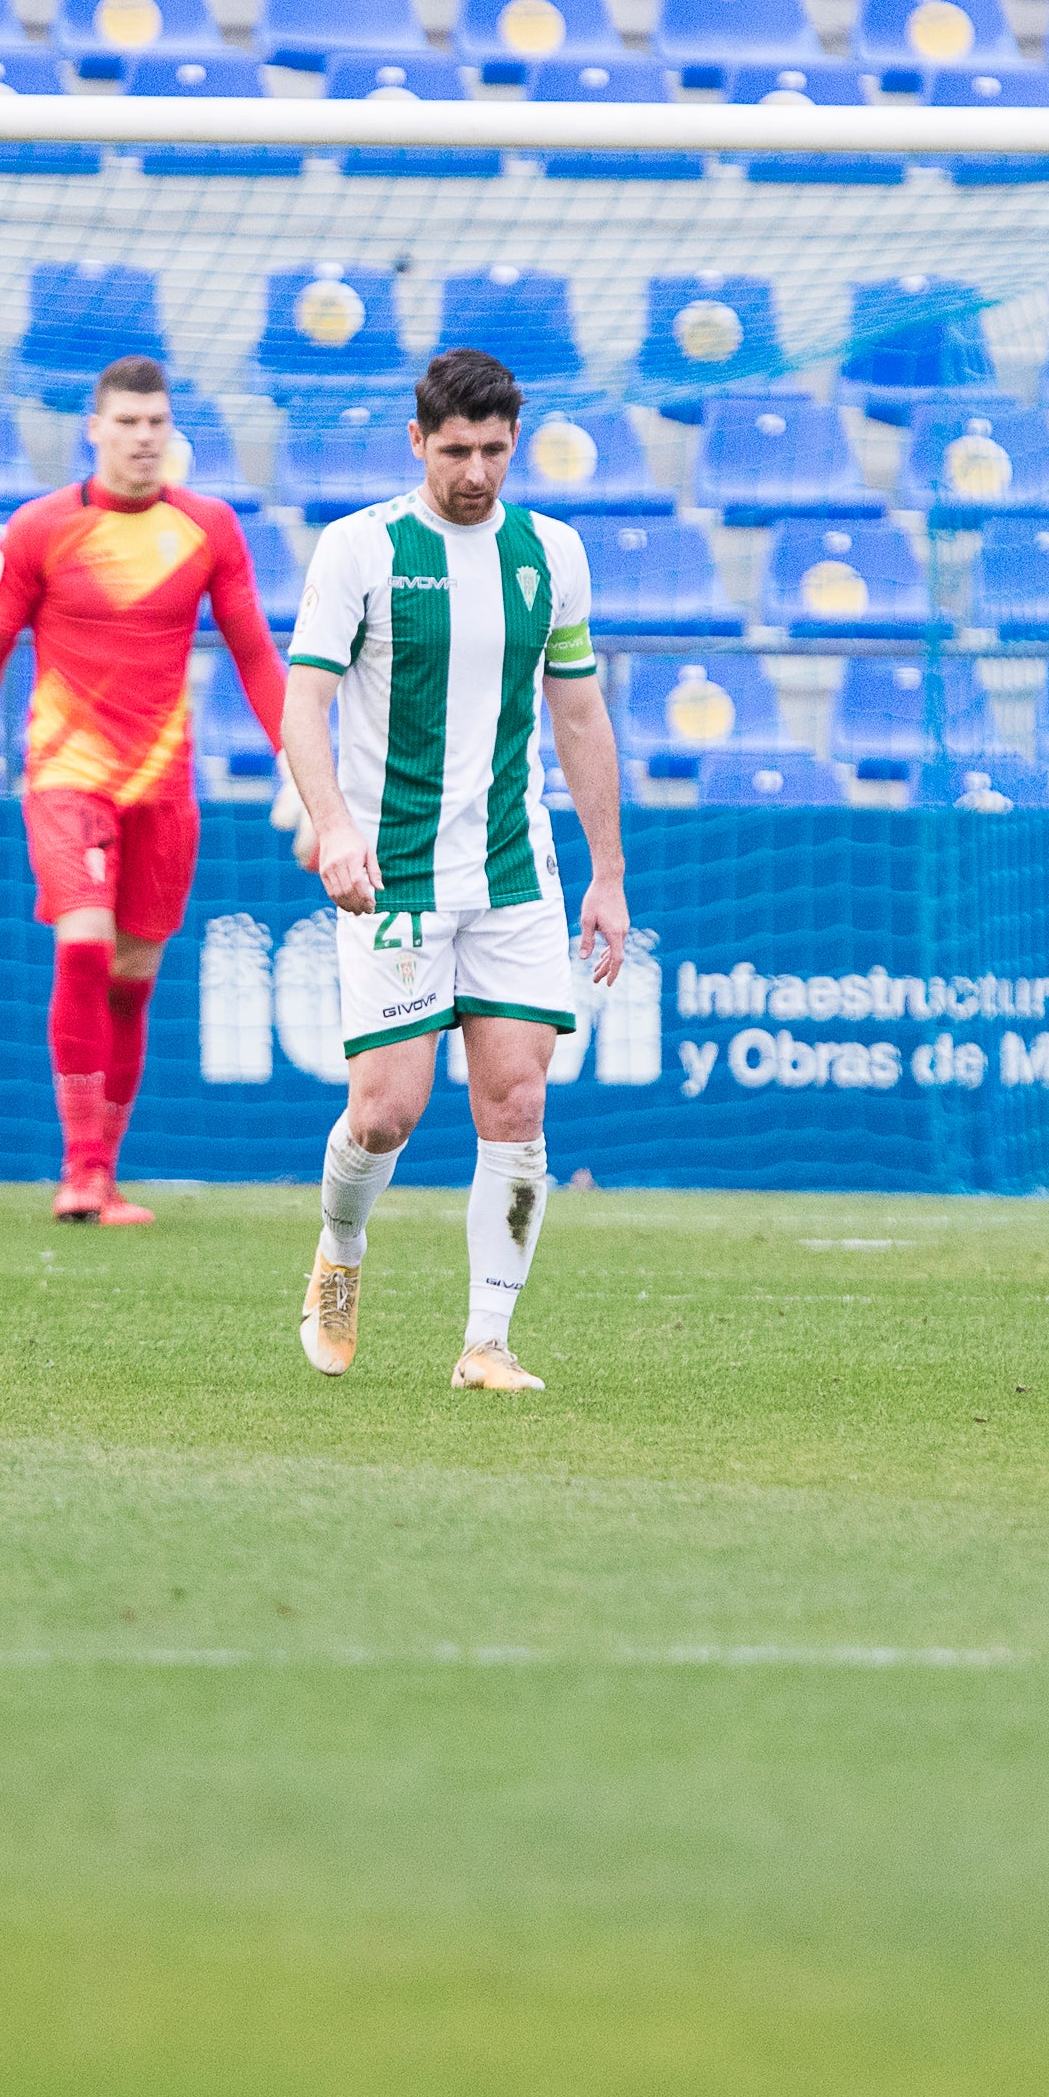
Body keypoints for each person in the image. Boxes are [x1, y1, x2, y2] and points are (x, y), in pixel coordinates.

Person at [277, 349, 628, 1394]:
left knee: (516, 1104)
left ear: (514, 441)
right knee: (384, 1111)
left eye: (493, 449)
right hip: (392, 874)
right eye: (455, 450)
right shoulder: (361, 549)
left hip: (515, 870)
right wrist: (332, 826)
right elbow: (303, 705)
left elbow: (576, 712)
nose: (475, 471)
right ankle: (338, 1251)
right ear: (416, 442)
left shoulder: (551, 552)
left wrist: (607, 873)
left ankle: (486, 1341)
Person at [0, 356, 288, 1224]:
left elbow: (257, 653)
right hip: (67, 775)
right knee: (81, 944)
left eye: (157, 422)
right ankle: (77, 1170)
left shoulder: (210, 528)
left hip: (165, 785)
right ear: (95, 428)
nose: (145, 437)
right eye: (129, 422)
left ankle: (103, 1175)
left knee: (133, 977)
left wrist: (302, 763)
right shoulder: (40, 529)